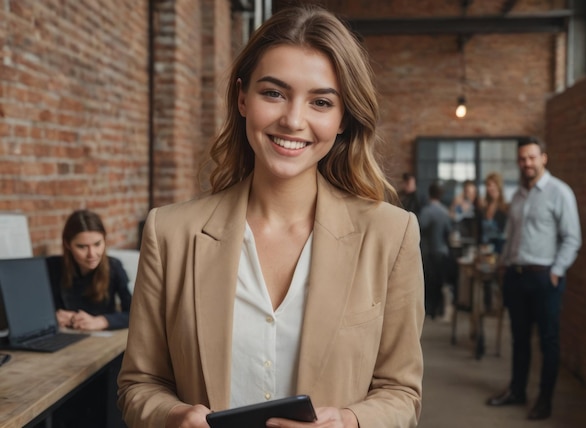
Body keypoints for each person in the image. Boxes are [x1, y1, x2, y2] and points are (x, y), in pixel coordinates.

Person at [117, 5, 424, 428]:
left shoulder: (390, 234)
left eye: (320, 102)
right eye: (273, 93)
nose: (293, 120)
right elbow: (139, 382)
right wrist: (171, 416)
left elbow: (402, 392)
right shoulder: (170, 233)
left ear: (342, 120)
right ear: (243, 98)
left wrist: (352, 422)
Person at [486, 137, 581, 420]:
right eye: (522, 159)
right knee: (519, 339)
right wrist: (504, 264)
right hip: (516, 277)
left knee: (548, 341)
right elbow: (512, 236)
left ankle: (545, 400)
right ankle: (517, 391)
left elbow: (572, 238)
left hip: (544, 279)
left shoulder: (560, 192)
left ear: (543, 158)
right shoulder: (518, 195)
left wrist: (556, 271)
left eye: (531, 157)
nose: (526, 163)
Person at [46, 209, 132, 331]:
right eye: (82, 247)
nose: (92, 254)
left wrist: (102, 321)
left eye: (97, 244)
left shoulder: (114, 267)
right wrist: (52, 317)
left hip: (102, 341)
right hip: (64, 340)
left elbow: (135, 313)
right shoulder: (52, 267)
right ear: (67, 244)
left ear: (104, 240)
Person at [419, 181, 452, 319]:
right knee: (439, 281)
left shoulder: (426, 212)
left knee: (428, 282)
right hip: (442, 251)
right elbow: (449, 232)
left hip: (428, 251)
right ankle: (438, 310)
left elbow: (418, 228)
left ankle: (429, 309)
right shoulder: (445, 212)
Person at [477, 172, 507, 254]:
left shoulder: (505, 208)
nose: (490, 188)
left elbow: (505, 234)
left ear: (498, 186)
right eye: (488, 185)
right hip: (483, 251)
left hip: (499, 251)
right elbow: (479, 232)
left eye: (492, 185)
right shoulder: (483, 208)